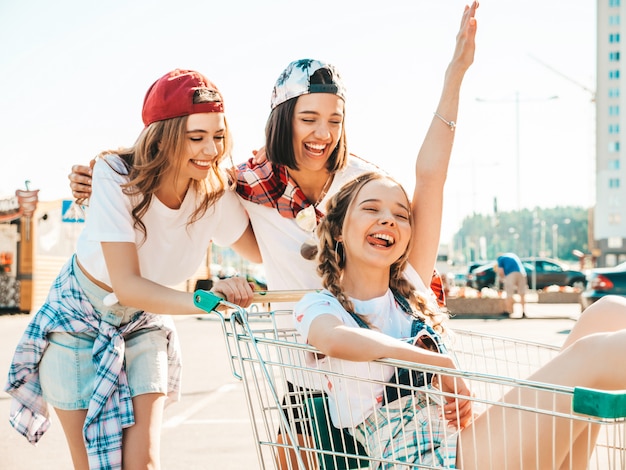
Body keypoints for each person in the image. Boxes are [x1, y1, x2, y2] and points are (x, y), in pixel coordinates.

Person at [66, 4, 477, 466]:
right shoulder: (245, 184)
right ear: (283, 116)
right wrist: (99, 178)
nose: (323, 133)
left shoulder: (363, 186)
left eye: (335, 120)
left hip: (377, 363)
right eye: (309, 118)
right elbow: (180, 156)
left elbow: (424, 196)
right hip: (306, 366)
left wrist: (455, 76)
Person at [5, 69, 260, 470]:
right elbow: (126, 285)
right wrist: (208, 300)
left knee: (143, 464)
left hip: (142, 324)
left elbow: (263, 251)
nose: (211, 150)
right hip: (77, 324)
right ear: (163, 136)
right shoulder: (114, 173)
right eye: (197, 138)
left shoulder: (214, 192)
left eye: (218, 136)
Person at [294, 171, 626, 469]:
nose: (388, 220)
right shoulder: (321, 307)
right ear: (337, 229)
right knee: (592, 355)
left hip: (464, 446)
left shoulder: (408, 300)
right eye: (371, 209)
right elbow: (334, 338)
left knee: (607, 312)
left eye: (400, 214)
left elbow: (431, 176)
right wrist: (437, 362)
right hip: (424, 460)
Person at [496, 251, 527, 317]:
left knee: (509, 293)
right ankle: (523, 311)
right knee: (522, 293)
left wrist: (502, 278)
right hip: (522, 273)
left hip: (511, 274)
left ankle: (508, 311)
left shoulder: (501, 259)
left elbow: (501, 271)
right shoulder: (513, 255)